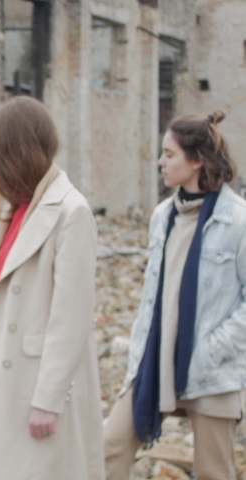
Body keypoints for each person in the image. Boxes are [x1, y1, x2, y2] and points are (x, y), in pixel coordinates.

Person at [0, 96, 104, 479]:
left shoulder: (71, 212)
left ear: (17, 153)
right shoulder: (19, 208)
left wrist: (48, 399)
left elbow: (72, 318)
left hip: (28, 384)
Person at [104, 111, 244, 480]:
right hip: (154, 361)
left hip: (212, 369)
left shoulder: (238, 221)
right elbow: (153, 295)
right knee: (108, 448)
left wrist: (212, 348)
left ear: (196, 160)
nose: (161, 162)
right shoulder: (162, 215)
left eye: (169, 154)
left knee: (215, 472)